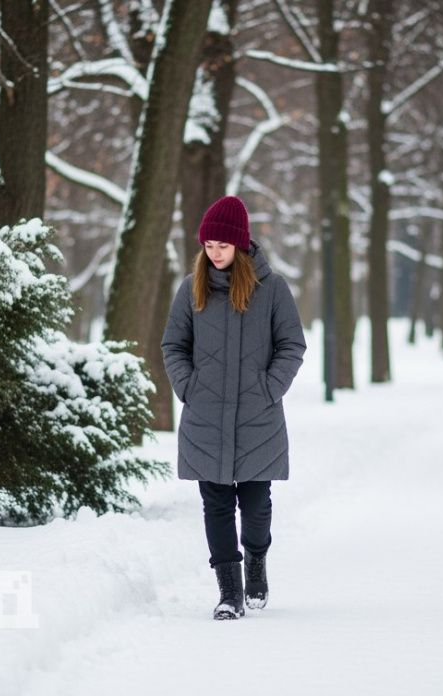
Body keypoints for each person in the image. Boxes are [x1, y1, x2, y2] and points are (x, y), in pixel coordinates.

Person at [161, 195, 306, 621]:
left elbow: (291, 346)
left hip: (258, 417)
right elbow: (174, 345)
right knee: (217, 505)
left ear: (240, 246)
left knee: (256, 505)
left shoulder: (272, 289)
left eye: (222, 246)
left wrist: (268, 388)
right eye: (208, 246)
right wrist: (189, 387)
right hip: (205, 417)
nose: (214, 253)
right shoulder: (191, 289)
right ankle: (229, 592)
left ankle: (256, 562)